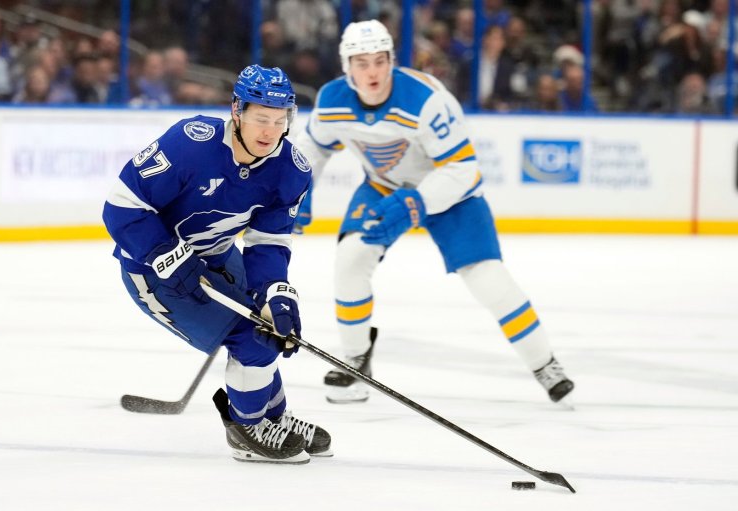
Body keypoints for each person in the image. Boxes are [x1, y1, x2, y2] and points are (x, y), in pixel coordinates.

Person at [294, 20, 575, 406]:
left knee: (488, 279)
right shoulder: (331, 100)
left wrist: (418, 203)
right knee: (350, 258)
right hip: (384, 187)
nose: (372, 71)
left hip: (450, 194)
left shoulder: (427, 100)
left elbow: (463, 169)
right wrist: (297, 191)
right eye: (361, 63)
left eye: (380, 61)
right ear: (347, 66)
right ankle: (355, 360)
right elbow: (312, 147)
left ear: (392, 60)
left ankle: (544, 363)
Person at [102, 65, 330, 464]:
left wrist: (275, 291)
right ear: (237, 111)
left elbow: (268, 242)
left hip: (219, 255)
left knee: (269, 327)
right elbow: (122, 205)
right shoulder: (191, 144)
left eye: (280, 121)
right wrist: (162, 254)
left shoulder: (292, 168)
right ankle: (246, 428)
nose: (270, 131)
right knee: (250, 340)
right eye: (261, 118)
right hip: (152, 270)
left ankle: (271, 415)